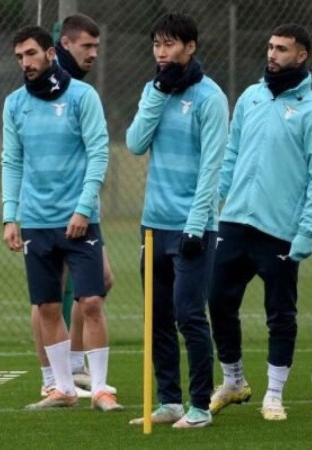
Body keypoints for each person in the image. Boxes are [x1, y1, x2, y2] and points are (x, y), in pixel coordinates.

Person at [2, 25, 122, 411]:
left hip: (79, 220)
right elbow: (12, 160)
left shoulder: (83, 96)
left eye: (31, 54)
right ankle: (63, 389)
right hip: (36, 221)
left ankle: (101, 388)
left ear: (51, 53)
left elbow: (99, 154)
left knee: (90, 301)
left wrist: (83, 208)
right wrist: (10, 216)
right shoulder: (14, 103)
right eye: (20, 56)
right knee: (48, 306)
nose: (26, 62)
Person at [125, 12, 229, 428]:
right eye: (156, 45)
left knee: (189, 314)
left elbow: (212, 167)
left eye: (170, 44)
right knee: (158, 317)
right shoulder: (155, 92)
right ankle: (169, 400)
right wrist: (155, 92)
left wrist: (195, 224)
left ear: (190, 47)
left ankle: (200, 406)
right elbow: (134, 143)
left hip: (194, 227)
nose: (162, 52)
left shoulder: (210, 98)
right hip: (153, 224)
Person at [208, 23, 312, 422]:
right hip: (234, 222)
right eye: (270, 46)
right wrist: (216, 204)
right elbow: (232, 154)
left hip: (281, 231)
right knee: (218, 301)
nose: (272, 54)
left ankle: (274, 394)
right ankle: (233, 381)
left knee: (280, 314)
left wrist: (304, 231)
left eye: (282, 49)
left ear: (301, 56)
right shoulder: (251, 97)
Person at [32, 13, 117, 400]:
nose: (94, 54)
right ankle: (53, 377)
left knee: (99, 284)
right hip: (47, 212)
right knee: (48, 298)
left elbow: (95, 151)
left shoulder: (80, 91)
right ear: (63, 45)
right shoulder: (42, 92)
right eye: (87, 46)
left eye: (97, 47)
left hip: (79, 210)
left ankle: (77, 367)